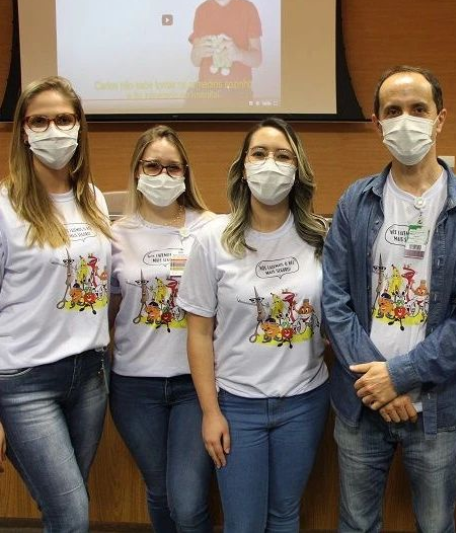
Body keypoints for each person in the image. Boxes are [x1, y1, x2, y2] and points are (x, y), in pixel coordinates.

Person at [322, 65, 456, 533]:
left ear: (440, 119)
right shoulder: (355, 202)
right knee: (356, 523)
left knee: (436, 525)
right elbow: (335, 301)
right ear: (378, 123)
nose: (406, 120)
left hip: (436, 406)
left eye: (418, 109)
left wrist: (400, 376)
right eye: (393, 110)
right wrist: (378, 386)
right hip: (362, 403)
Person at [178, 118, 329, 533]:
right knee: (243, 522)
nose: (270, 164)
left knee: (285, 515)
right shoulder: (213, 239)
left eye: (283, 156)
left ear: (297, 169)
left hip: (304, 400)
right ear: (243, 168)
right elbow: (198, 332)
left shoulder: (319, 238)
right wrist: (210, 412)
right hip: (237, 404)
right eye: (259, 154)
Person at [0, 76, 111, 532]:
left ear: (79, 126)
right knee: (72, 514)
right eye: (39, 121)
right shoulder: (5, 207)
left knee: (64, 511)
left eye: (64, 119)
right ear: (23, 132)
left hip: (89, 377)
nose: (53, 130)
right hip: (25, 383)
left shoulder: (93, 199)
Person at [109, 125, 215, 532]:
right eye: (152, 166)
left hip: (194, 384)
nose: (162, 175)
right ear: (137, 170)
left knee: (187, 503)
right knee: (158, 492)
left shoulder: (212, 228)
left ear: (186, 172)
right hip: (134, 386)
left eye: (173, 167)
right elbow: (109, 308)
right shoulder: (116, 234)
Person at [189, 0, 262, 103]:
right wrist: (198, 53)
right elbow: (195, 61)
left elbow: (257, 60)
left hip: (239, 93)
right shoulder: (202, 10)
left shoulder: (248, 8)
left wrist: (239, 54)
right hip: (205, 91)